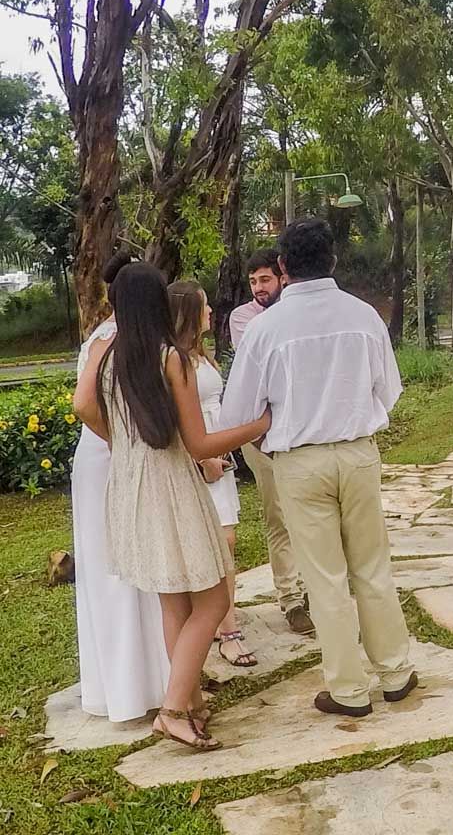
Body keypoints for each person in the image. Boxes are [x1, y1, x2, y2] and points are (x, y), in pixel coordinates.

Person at [221, 218, 415, 718]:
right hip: (357, 452)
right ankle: (395, 672)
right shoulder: (363, 316)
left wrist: (271, 435)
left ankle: (348, 690)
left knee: (324, 577)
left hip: (299, 461)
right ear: (332, 259)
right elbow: (388, 392)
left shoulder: (265, 329)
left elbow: (237, 412)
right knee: (372, 566)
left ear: (283, 266)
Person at [73, 264, 271, 750]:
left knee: (174, 600)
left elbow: (83, 406)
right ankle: (174, 709)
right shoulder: (171, 358)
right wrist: (258, 425)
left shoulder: (109, 355)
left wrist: (120, 440)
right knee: (214, 600)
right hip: (170, 485)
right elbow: (199, 444)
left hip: (130, 484)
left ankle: (191, 700)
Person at [68, 252, 171, 725]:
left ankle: (158, 677)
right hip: (106, 462)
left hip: (124, 457)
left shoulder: (130, 334)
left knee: (143, 566)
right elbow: (84, 404)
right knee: (115, 568)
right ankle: (127, 688)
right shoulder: (107, 339)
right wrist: (116, 438)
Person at [169, 279, 255, 669]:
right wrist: (203, 459)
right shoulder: (175, 358)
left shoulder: (202, 355)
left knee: (227, 542)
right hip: (199, 455)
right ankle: (223, 628)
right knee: (219, 541)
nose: (209, 312)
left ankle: (226, 622)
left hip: (219, 451)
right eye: (203, 306)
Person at [225, 248, 309, 636]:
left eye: (265, 279)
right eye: (253, 281)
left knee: (310, 513)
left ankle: (314, 588)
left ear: (283, 278)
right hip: (260, 435)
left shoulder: (297, 313)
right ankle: (291, 598)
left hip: (302, 428)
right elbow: (271, 366)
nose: (259, 287)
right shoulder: (244, 318)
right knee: (278, 514)